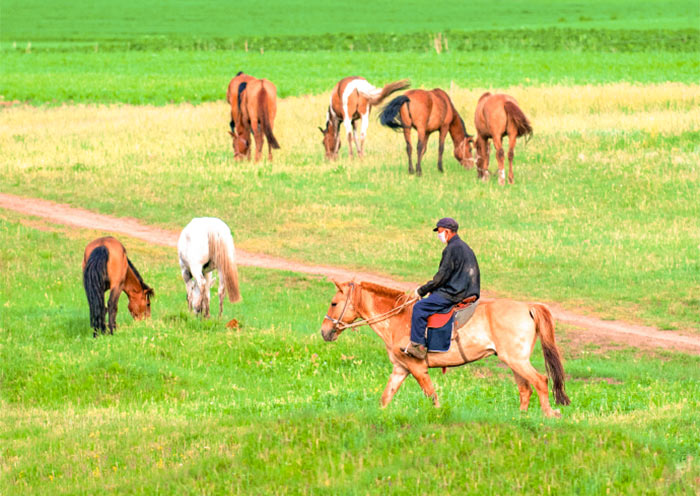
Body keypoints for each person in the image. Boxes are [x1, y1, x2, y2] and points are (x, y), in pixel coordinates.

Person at [404, 217, 480, 360]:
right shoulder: (465, 247)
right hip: (467, 290)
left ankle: (418, 347)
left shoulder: (451, 249)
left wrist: (422, 290)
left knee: (420, 307)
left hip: (454, 293)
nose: (438, 235)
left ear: (447, 231)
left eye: (439, 232)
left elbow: (442, 276)